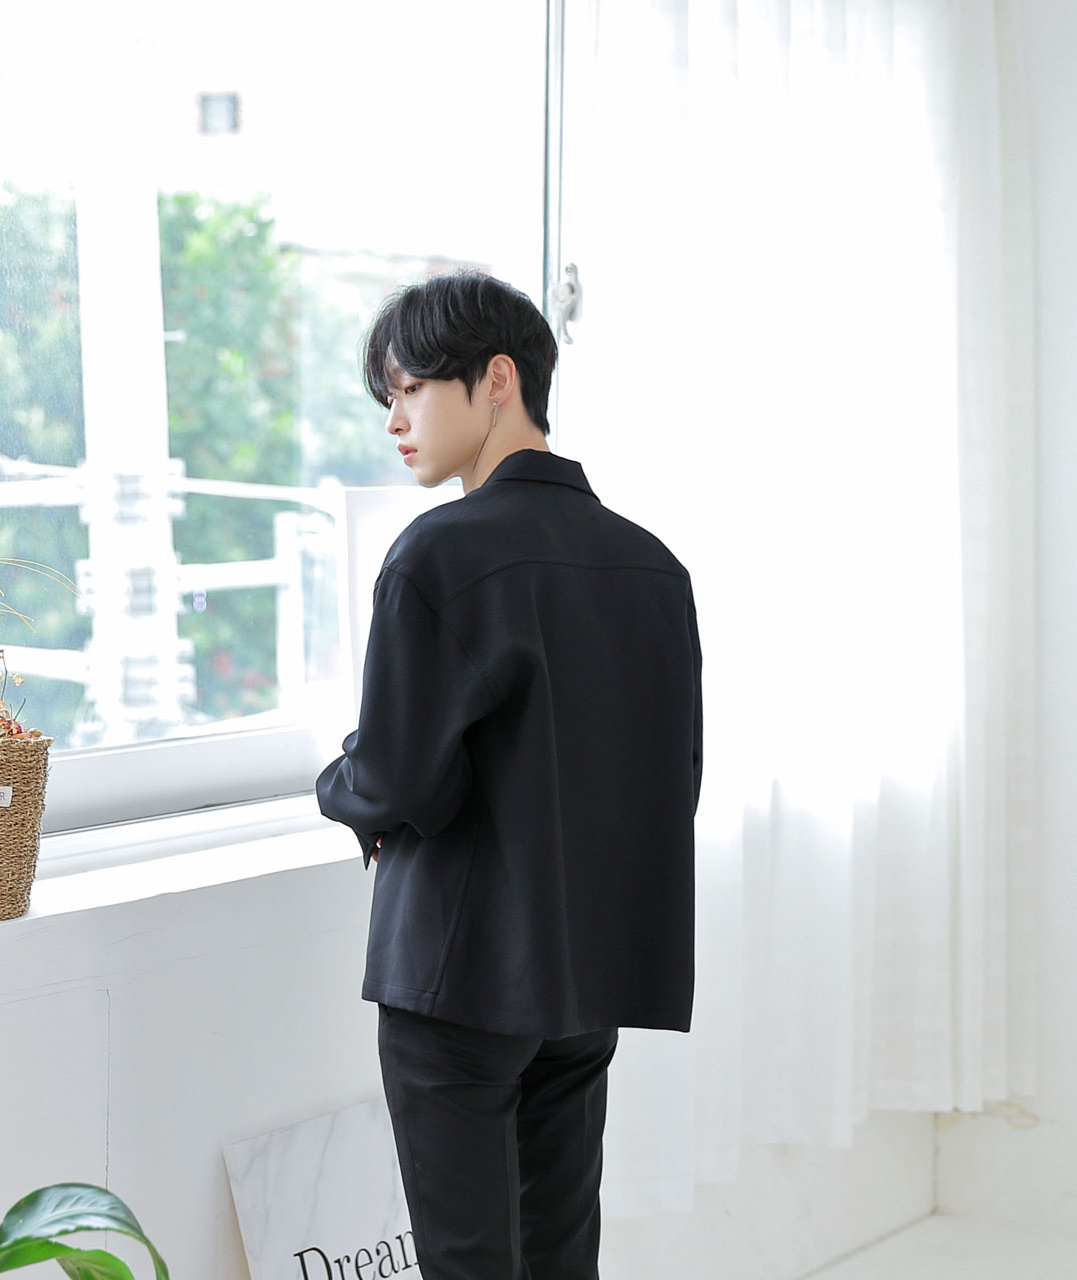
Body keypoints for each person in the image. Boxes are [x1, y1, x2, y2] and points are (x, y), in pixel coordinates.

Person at [316, 272, 702, 1280]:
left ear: (496, 379)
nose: (395, 420)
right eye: (388, 397)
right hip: (583, 974)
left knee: (468, 1261)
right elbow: (671, 775)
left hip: (457, 981)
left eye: (411, 389)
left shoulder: (437, 554)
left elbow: (398, 780)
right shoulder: (651, 565)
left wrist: (337, 784)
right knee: (560, 1252)